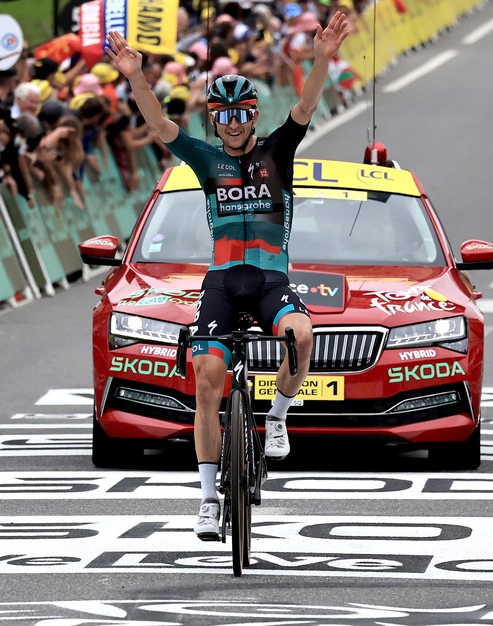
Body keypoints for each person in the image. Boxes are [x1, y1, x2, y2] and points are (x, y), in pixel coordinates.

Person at [105, 10, 350, 541]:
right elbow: (158, 125)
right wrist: (136, 77)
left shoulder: (276, 152)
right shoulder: (204, 160)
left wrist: (322, 59)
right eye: (225, 115)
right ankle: (208, 500)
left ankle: (280, 416)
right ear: (214, 120)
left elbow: (306, 106)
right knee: (208, 384)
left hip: (269, 282)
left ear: (254, 117)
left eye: (243, 114)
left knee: (302, 338)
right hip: (221, 282)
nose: (235, 123)